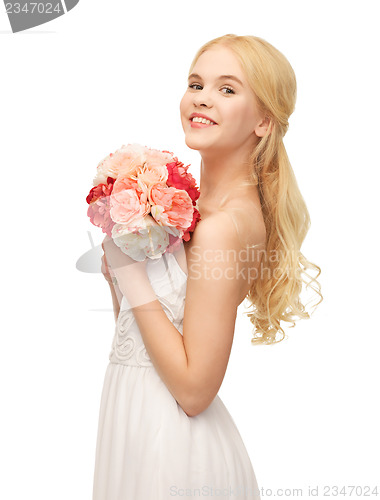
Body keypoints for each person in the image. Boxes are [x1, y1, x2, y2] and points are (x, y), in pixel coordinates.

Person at [92, 33, 323, 499]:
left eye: (227, 89)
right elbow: (142, 334)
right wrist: (120, 273)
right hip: (134, 422)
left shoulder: (224, 226)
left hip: (173, 451)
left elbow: (195, 392)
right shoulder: (192, 209)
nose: (203, 99)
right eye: (196, 83)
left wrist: (132, 275)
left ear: (263, 121)